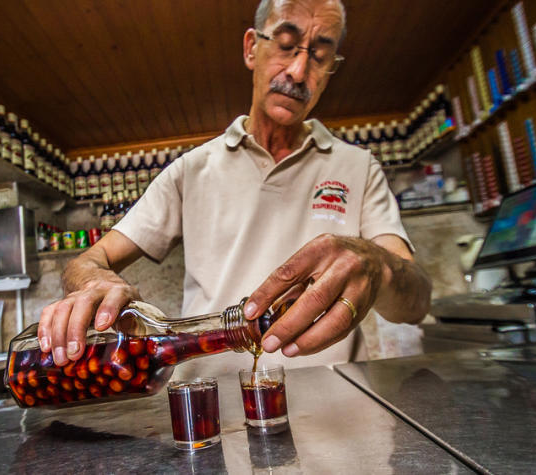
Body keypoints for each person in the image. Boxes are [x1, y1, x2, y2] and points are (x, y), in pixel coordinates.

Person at [37, 0, 432, 378]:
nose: (297, 71)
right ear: (251, 48)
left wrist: (375, 264)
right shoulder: (191, 170)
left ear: (331, 69)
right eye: (285, 45)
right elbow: (89, 259)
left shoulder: (359, 169)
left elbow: (414, 304)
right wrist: (96, 281)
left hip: (338, 418)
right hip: (211, 419)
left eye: (319, 56)